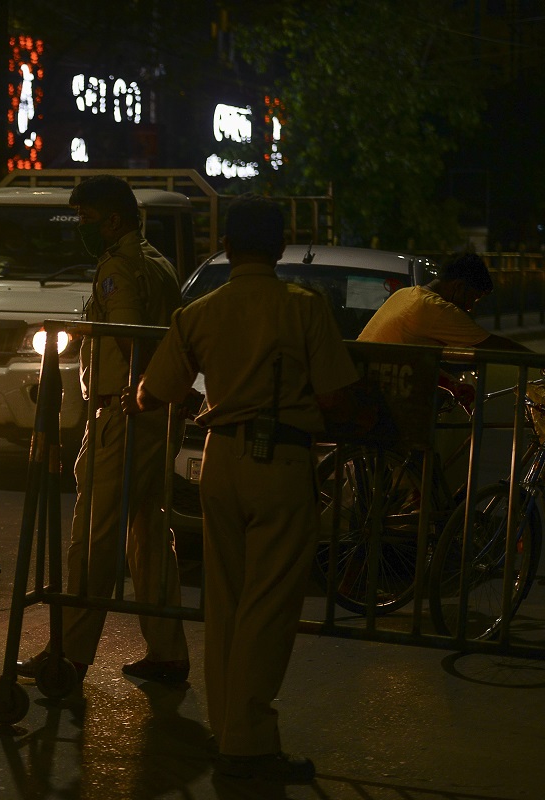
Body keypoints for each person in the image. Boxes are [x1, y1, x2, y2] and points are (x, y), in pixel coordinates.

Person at [125, 194, 362, 783]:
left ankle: (229, 730)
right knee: (270, 606)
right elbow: (336, 396)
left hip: (220, 459)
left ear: (226, 247)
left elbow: (152, 393)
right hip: (281, 461)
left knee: (226, 601)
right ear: (280, 247)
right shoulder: (303, 308)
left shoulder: (198, 313)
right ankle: (249, 742)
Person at [16, 174, 188, 685]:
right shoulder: (158, 262)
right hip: (157, 414)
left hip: (123, 413)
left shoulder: (118, 267)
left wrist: (135, 387)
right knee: (150, 537)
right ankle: (168, 653)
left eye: (86, 218)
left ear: (113, 220)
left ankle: (68, 655)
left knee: (93, 537)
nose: (81, 228)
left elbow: (130, 337)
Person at [358, 251, 531, 409]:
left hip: (360, 389)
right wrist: (536, 360)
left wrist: (452, 385)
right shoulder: (436, 308)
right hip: (377, 404)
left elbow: (411, 359)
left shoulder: (404, 294)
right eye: (473, 298)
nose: (470, 307)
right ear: (459, 286)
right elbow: (493, 345)